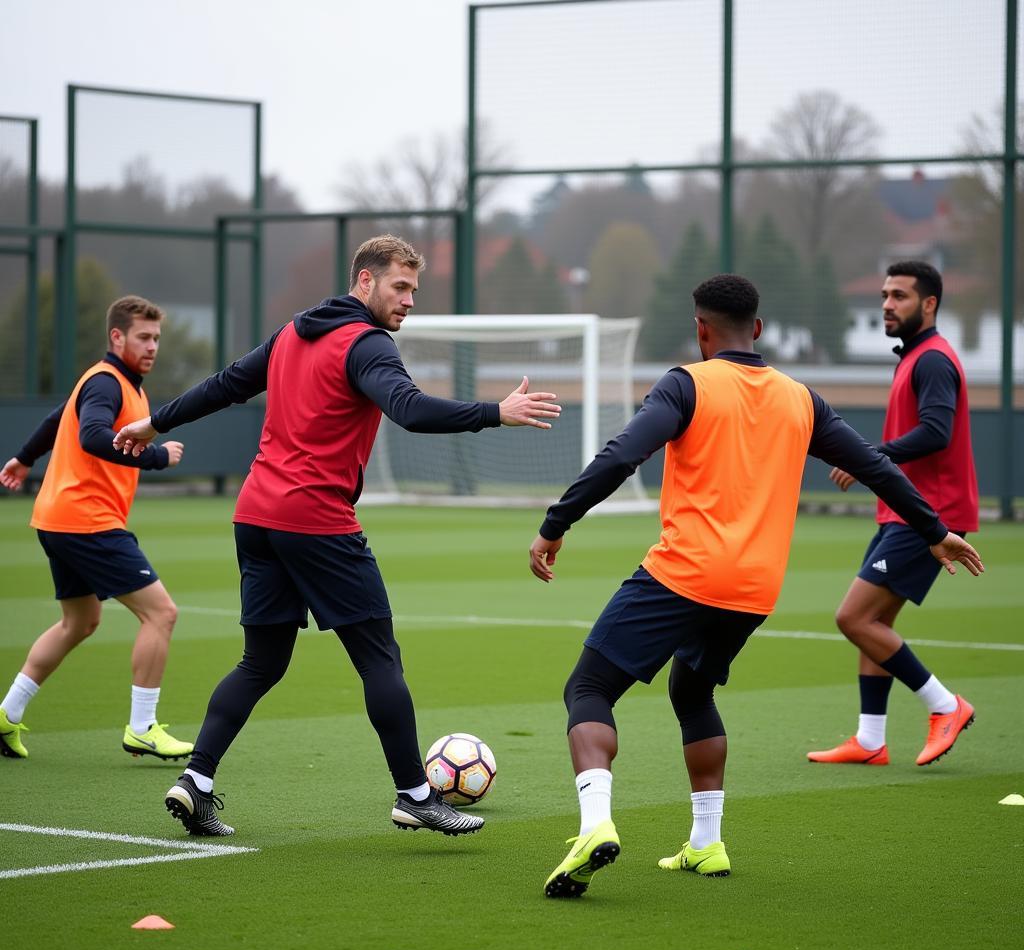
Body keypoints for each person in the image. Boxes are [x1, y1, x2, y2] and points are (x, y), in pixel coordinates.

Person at [528, 274, 983, 899]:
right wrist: (934, 530)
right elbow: (873, 465)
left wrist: (556, 523)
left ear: (701, 330)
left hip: (682, 572)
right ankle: (706, 842)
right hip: (753, 591)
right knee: (692, 691)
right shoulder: (801, 398)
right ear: (760, 330)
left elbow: (620, 455)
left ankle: (594, 825)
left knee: (589, 687)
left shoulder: (687, 382)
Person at [111, 234, 560, 839]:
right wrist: (494, 412)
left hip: (256, 516)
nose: (408, 301)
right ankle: (416, 794)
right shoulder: (367, 344)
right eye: (399, 287)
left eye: (414, 291)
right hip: (316, 520)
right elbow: (411, 410)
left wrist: (153, 419)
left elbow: (226, 384)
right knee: (379, 657)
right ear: (365, 281)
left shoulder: (294, 331)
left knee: (261, 661)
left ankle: (196, 780)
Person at [0, 295, 192, 762]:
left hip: (58, 518)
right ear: (117, 337)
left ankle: (6, 714)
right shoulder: (108, 382)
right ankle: (143, 727)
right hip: (86, 520)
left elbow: (56, 418)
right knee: (161, 613)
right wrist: (155, 457)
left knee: (80, 621)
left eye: (156, 339)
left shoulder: (115, 382)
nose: (152, 347)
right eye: (143, 337)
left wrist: (24, 459)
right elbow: (90, 434)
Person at [807, 261, 980, 768]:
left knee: (853, 617)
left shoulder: (932, 361)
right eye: (884, 294)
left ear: (929, 304)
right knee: (874, 621)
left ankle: (946, 706)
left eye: (900, 295)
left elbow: (936, 432)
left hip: (930, 515)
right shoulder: (914, 357)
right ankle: (869, 739)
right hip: (902, 512)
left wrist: (872, 458)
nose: (886, 303)